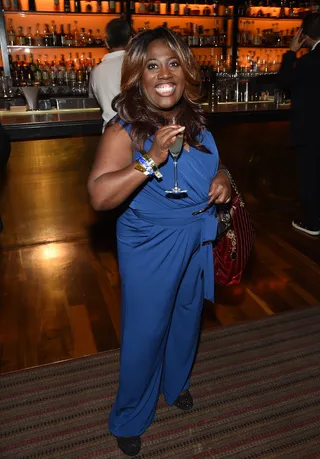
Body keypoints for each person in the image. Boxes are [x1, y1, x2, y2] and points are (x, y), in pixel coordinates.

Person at [88, 27, 231, 456]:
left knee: (187, 321)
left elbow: (215, 169)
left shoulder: (197, 121)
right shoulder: (124, 129)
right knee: (146, 332)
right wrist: (151, 158)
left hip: (196, 239)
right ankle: (130, 415)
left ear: (186, 72)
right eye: (152, 65)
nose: (163, 73)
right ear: (138, 75)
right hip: (149, 243)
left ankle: (177, 384)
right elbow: (98, 196)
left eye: (172, 63)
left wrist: (225, 179)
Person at [278, 13, 320, 237]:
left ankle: (312, 223)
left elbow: (284, 81)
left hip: (310, 130)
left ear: (303, 35)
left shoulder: (306, 62)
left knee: (310, 177)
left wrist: (291, 52)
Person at [89, 18, 131, 132]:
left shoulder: (96, 71)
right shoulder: (136, 65)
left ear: (106, 42)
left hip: (109, 132)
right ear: (130, 40)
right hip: (137, 134)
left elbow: (93, 100)